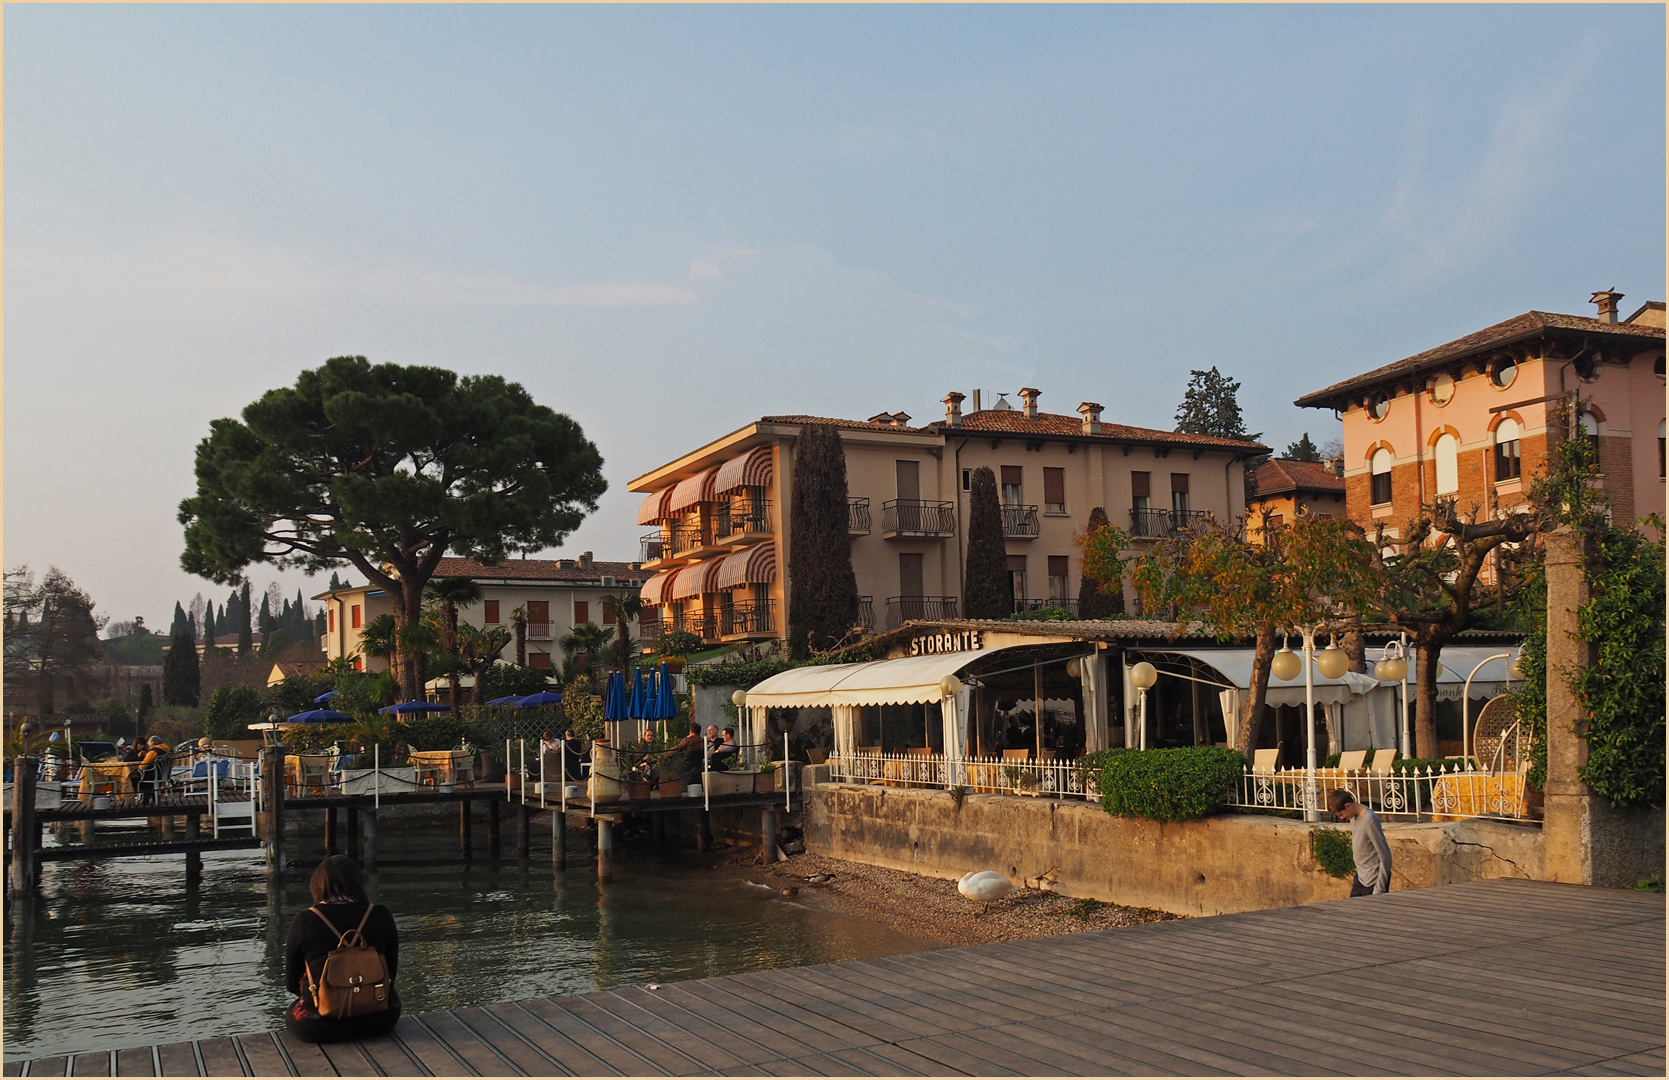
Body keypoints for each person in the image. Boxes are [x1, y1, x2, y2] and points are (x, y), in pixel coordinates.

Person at [285, 855, 401, 1043]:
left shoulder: (304, 920)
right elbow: (391, 973)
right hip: (380, 1018)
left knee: (292, 1011)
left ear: (317, 884)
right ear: (357, 882)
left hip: (322, 1026)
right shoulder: (380, 914)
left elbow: (292, 983)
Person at [1328, 789, 1393, 896]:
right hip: (1361, 876)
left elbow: (1385, 856)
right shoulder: (1353, 817)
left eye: (1341, 814)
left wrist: (1379, 888)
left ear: (1348, 806)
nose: (1342, 818)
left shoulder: (1369, 820)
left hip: (1373, 880)